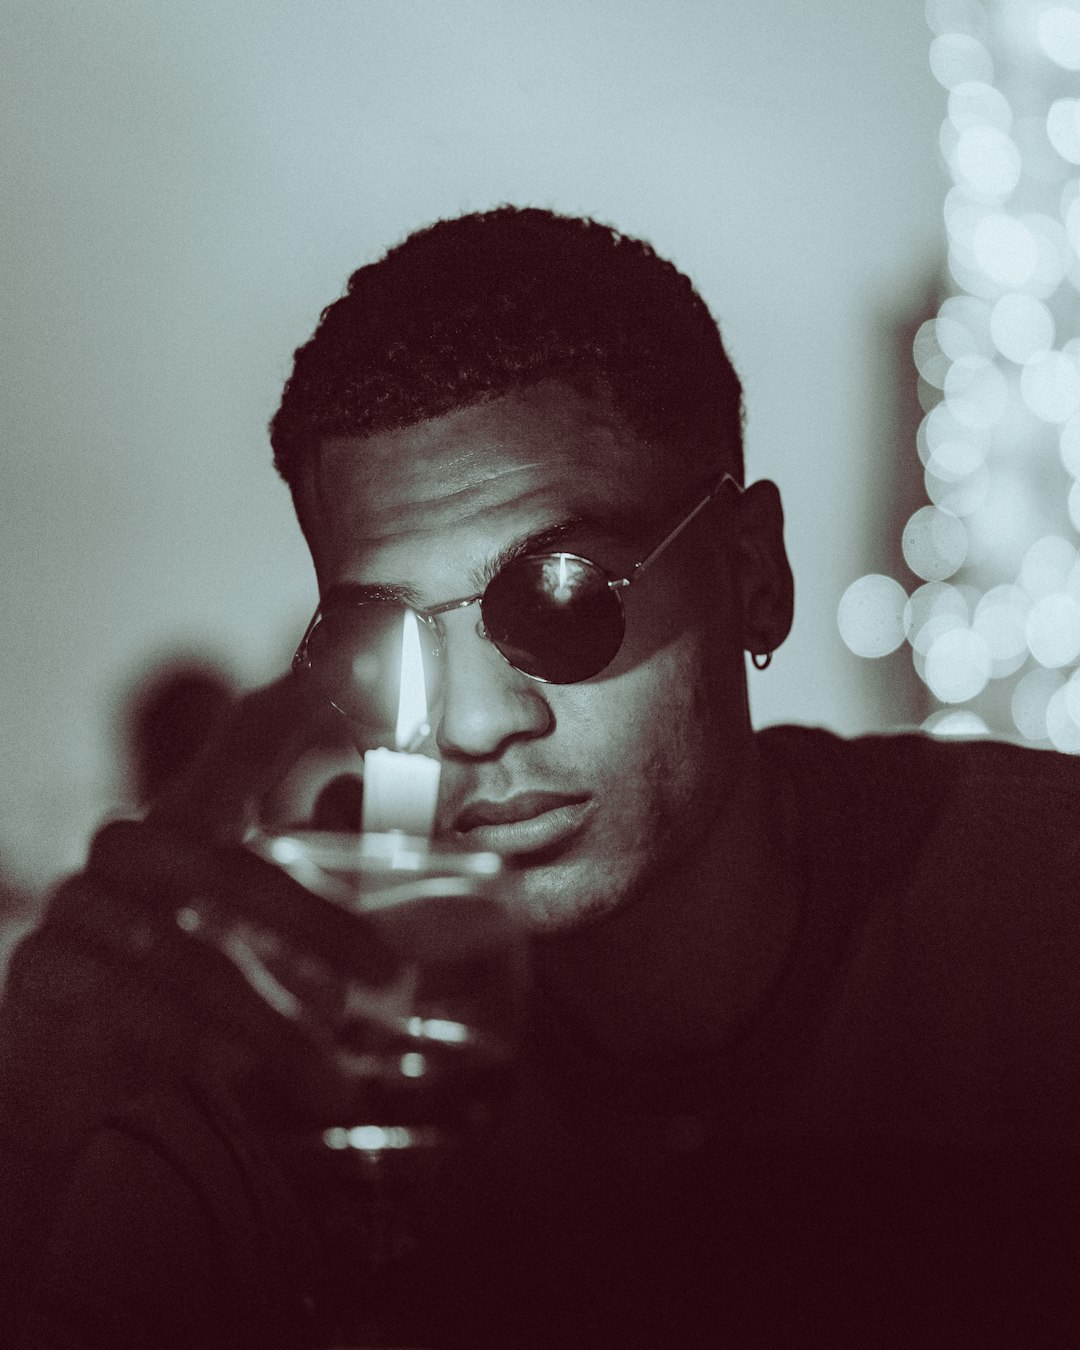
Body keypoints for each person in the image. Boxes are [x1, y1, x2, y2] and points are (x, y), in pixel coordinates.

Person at [2, 205, 1079, 1348]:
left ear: (754, 573)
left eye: (559, 599)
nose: (472, 722)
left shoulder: (1036, 920)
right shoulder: (303, 1060)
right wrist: (30, 1145)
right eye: (387, 642)